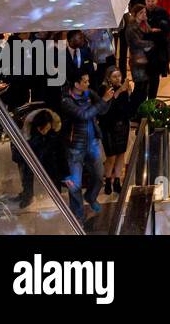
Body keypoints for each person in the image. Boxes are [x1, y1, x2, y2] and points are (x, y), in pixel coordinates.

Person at [61, 70, 110, 227]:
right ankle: (78, 216)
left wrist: (107, 100)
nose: (88, 84)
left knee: (98, 175)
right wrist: (103, 101)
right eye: (85, 81)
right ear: (76, 84)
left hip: (92, 143)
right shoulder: (66, 101)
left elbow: (102, 110)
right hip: (75, 146)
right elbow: (83, 115)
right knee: (75, 184)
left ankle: (90, 196)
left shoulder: (89, 93)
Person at [18, 108, 68, 210]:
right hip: (34, 148)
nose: (44, 131)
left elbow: (60, 152)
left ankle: (56, 194)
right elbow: (26, 148)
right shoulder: (29, 129)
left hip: (49, 153)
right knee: (27, 170)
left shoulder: (55, 130)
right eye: (41, 129)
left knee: (53, 167)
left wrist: (65, 173)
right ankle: (28, 195)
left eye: (46, 128)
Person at [98, 69, 132, 196]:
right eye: (114, 76)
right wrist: (121, 90)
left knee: (121, 154)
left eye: (119, 75)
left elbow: (129, 107)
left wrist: (128, 92)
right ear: (108, 78)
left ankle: (117, 180)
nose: (117, 78)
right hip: (108, 126)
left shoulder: (123, 89)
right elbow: (107, 107)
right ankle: (107, 180)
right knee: (111, 156)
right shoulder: (104, 89)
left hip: (122, 125)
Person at [144, 0, 170, 101]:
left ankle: (152, 100)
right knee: (144, 79)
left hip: (158, 51)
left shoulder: (162, 12)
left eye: (152, 1)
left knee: (155, 78)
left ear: (156, 1)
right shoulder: (142, 12)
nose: (150, 3)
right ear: (145, 1)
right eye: (148, 1)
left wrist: (161, 28)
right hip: (145, 51)